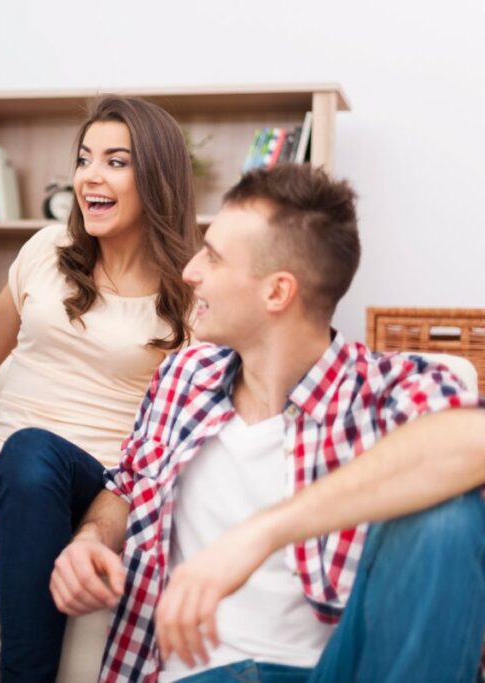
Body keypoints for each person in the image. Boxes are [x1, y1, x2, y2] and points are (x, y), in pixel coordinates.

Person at [51, 163, 485, 683]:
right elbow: (127, 486)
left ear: (277, 293)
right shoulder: (183, 377)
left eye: (212, 256)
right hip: (195, 675)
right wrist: (90, 542)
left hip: (336, 669)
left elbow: (473, 438)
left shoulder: (390, 392)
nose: (190, 271)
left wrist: (258, 535)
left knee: (449, 516)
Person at [0, 96, 200, 682]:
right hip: (5, 468)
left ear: (157, 178)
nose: (91, 176)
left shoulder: (190, 292)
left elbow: (187, 424)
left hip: (91, 480)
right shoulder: (45, 250)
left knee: (33, 449)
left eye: (116, 162)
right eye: (84, 159)